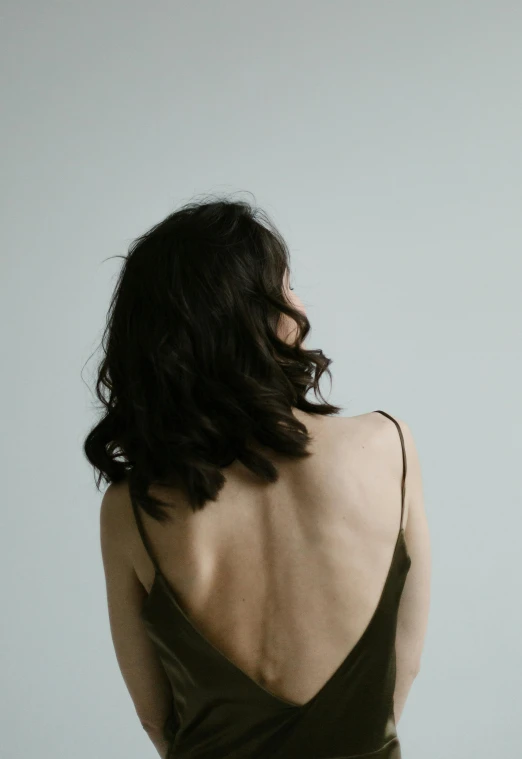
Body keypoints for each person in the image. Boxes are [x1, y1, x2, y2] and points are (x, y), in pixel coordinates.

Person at [86, 195, 430, 758]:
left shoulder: (133, 507)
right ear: (255, 312)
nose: (298, 302)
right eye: (285, 285)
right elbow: (403, 671)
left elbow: (155, 719)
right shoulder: (387, 446)